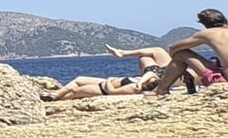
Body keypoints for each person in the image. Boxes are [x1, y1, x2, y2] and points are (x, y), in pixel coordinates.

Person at [146, 9, 228, 95]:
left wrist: (183, 69)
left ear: (204, 24)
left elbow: (174, 48)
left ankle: (161, 90)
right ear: (225, 20)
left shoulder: (208, 33)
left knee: (181, 54)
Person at [45, 43, 173, 100]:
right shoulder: (147, 78)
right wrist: (143, 79)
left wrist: (109, 80)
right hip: (108, 83)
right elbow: (151, 74)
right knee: (78, 79)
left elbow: (112, 92)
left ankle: (56, 97)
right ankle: (55, 94)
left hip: (103, 89)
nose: (149, 75)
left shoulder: (134, 87)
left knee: (74, 91)